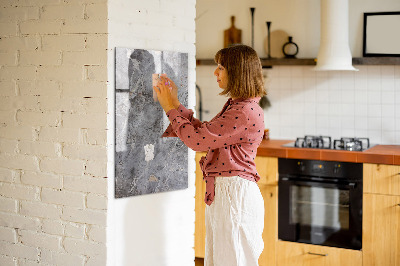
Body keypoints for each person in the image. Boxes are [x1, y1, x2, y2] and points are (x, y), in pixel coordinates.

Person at [153, 44, 266, 266]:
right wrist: (175, 103)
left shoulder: (243, 111)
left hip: (234, 195)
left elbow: (197, 141)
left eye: (221, 67)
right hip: (228, 193)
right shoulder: (239, 106)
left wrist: (169, 108)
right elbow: (205, 133)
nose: (215, 72)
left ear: (237, 71)